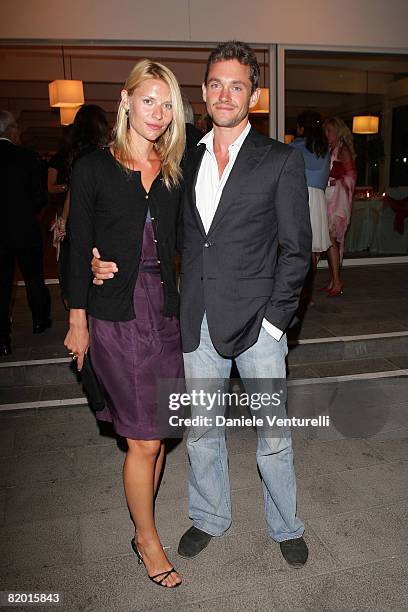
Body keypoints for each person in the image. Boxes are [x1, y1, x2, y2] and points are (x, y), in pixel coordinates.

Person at [92, 41, 312, 568]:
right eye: (216, 84)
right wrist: (97, 262)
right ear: (204, 91)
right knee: (203, 430)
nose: (225, 94)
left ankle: (286, 524)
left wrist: (277, 324)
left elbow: (297, 250)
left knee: (273, 437)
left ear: (253, 95)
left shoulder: (279, 160)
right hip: (195, 321)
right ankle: (210, 515)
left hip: (260, 325)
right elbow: (147, 221)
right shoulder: (182, 157)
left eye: (237, 85)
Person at [64, 60, 185, 588]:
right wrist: (77, 319)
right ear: (126, 100)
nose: (157, 113)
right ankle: (147, 538)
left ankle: (143, 518)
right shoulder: (94, 167)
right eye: (148, 100)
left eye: (166, 103)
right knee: (142, 439)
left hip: (166, 312)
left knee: (157, 433)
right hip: (115, 314)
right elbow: (75, 248)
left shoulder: (177, 167)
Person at [0, 111, 51, 357]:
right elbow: (40, 197)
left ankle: (3, 340)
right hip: (24, 228)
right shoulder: (28, 158)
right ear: (11, 130)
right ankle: (40, 321)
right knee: (33, 276)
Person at [57, 106, 110, 302]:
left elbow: (73, 190)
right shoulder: (99, 154)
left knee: (80, 262)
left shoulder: (77, 152)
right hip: (96, 216)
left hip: (82, 215)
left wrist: (64, 218)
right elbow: (75, 190)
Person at [291, 111, 330, 303]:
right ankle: (308, 294)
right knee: (312, 253)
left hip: (300, 196)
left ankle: (301, 294)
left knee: (298, 249)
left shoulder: (295, 146)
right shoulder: (324, 148)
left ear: (301, 127)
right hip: (318, 198)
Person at [322, 116, 357, 296]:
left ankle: (337, 282)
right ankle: (334, 280)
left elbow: (351, 177)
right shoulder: (331, 149)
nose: (326, 134)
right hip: (329, 198)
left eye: (329, 131)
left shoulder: (343, 150)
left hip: (338, 201)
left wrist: (336, 182)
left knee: (332, 240)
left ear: (337, 131)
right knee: (331, 241)